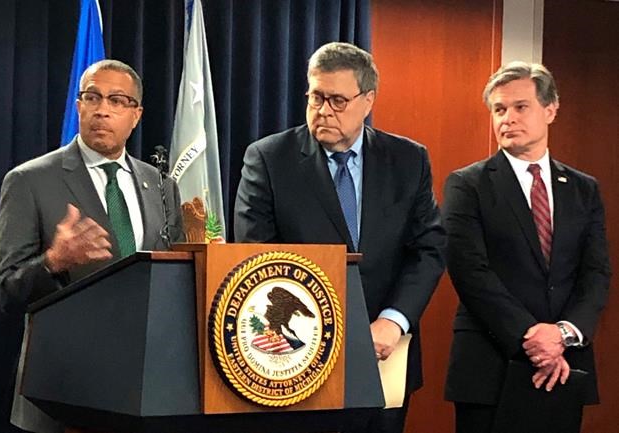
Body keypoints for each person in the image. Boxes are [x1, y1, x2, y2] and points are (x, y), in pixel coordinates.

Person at [234, 42, 445, 433]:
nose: (323, 111)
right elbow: (257, 257)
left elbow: (429, 249)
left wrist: (394, 320)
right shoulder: (269, 159)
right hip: (299, 359)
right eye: (316, 97)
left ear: (368, 101)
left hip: (385, 353)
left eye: (337, 100)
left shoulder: (408, 160)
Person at [0, 59, 184, 433]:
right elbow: (4, 291)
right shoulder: (29, 181)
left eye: (117, 100)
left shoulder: (160, 185)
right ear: (78, 106)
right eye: (92, 97)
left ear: (136, 115)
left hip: (145, 391)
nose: (102, 110)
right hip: (62, 393)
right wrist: (53, 261)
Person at [442, 61, 611, 433]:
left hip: (564, 367)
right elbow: (470, 273)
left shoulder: (583, 189)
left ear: (550, 110)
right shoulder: (467, 185)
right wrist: (533, 338)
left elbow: (596, 273)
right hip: (490, 368)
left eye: (520, 107)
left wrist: (563, 334)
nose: (508, 118)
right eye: (499, 110)